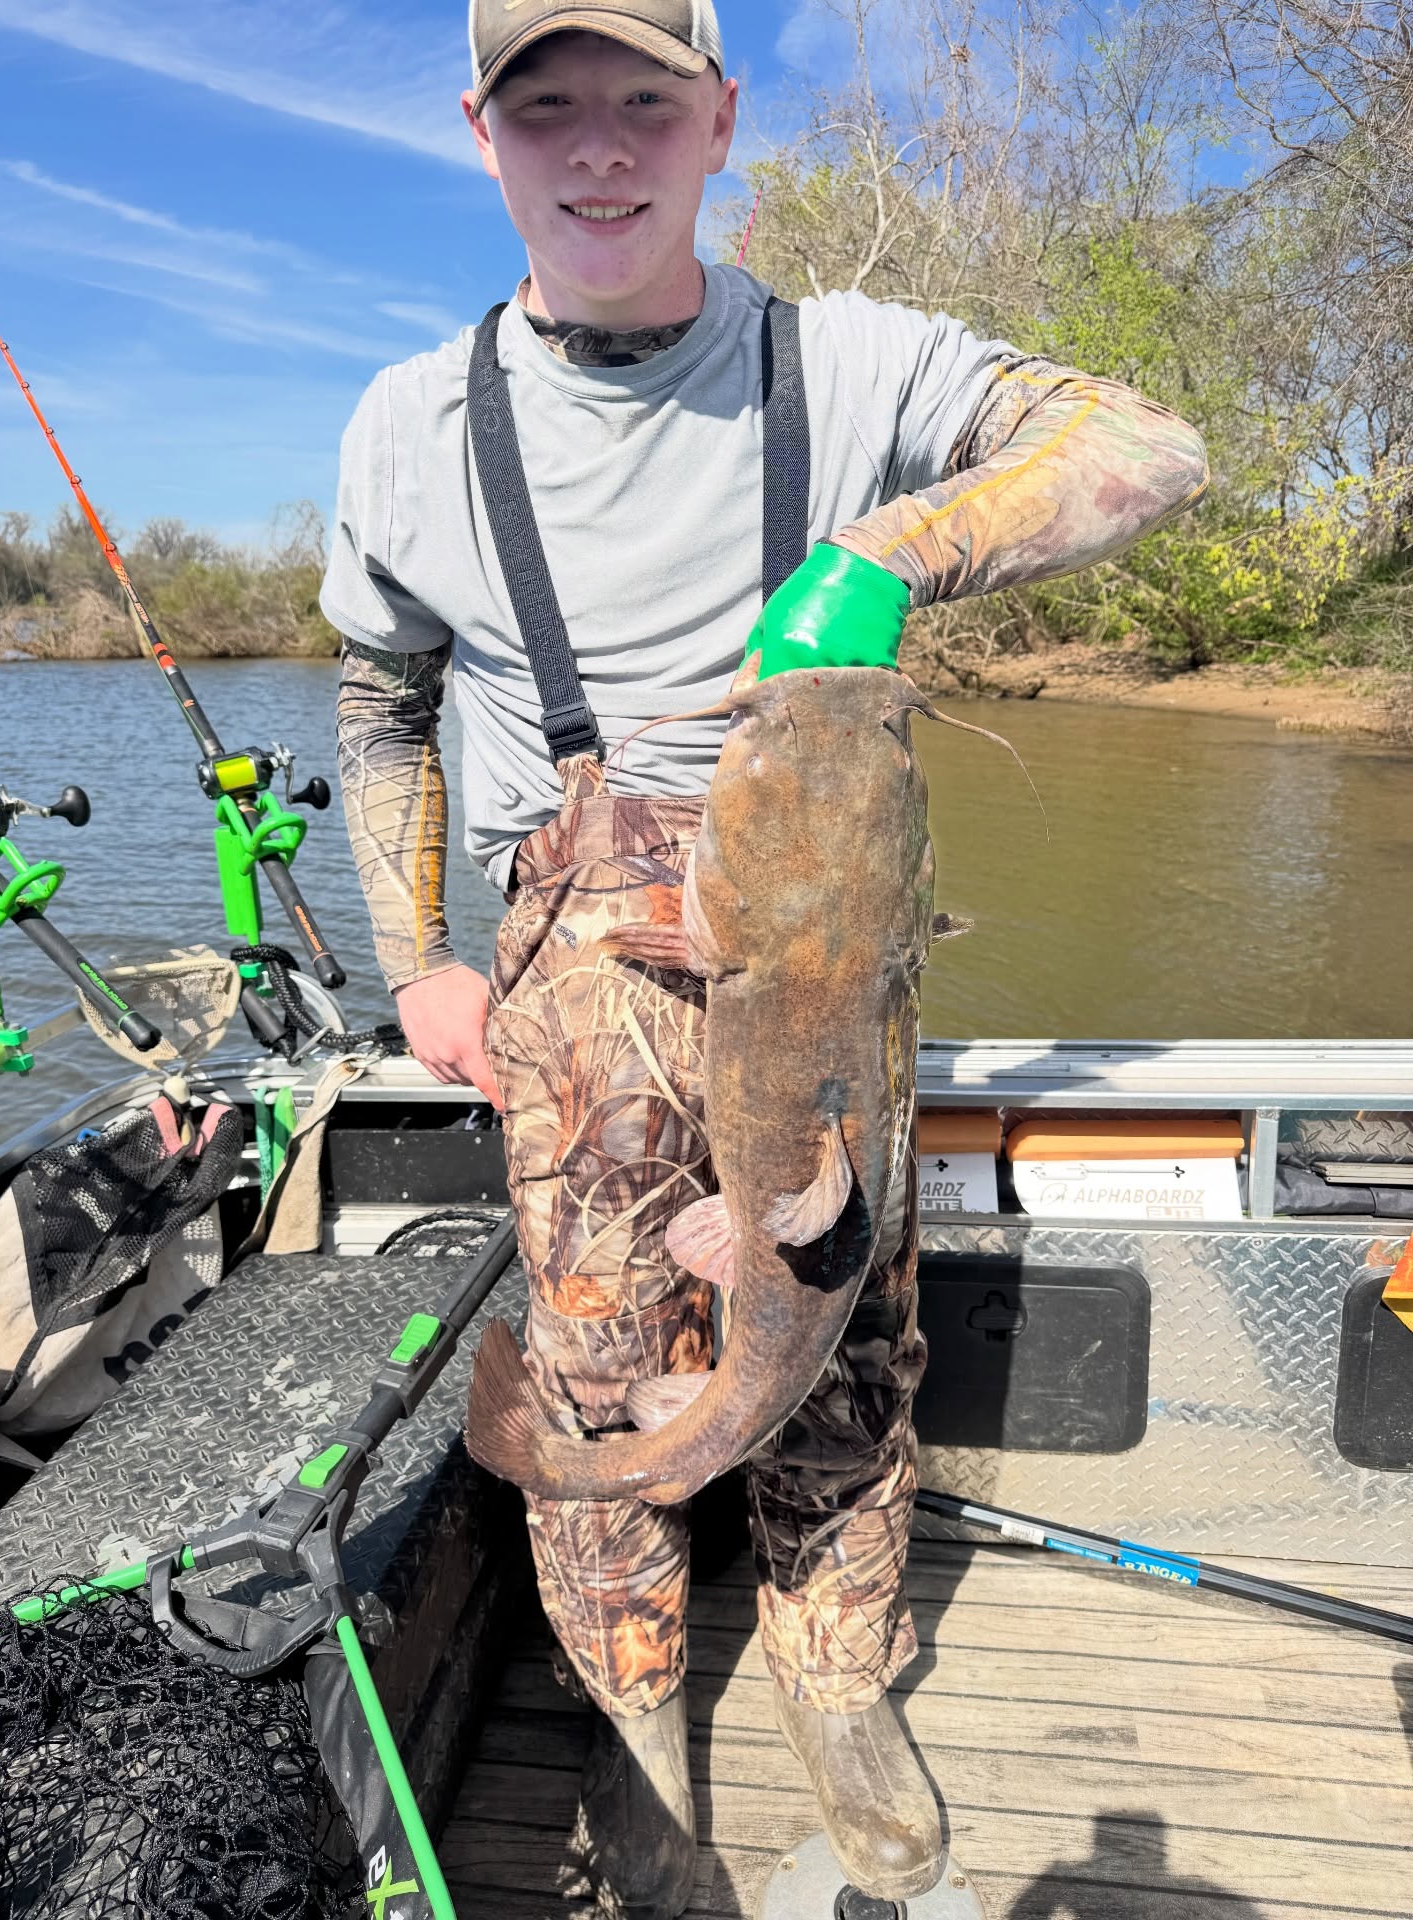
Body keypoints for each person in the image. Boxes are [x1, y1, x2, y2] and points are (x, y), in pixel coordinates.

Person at [322, 5, 1208, 1912]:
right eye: (547, 104)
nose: (600, 147)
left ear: (722, 121)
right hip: (567, 971)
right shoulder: (407, 423)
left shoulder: (856, 362)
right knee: (593, 1372)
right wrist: (417, 959)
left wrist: (892, 549)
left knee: (833, 1346)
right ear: (481, 133)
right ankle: (637, 1722)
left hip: (823, 963)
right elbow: (379, 700)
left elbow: (1150, 444)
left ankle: (835, 1681)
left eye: (646, 100)